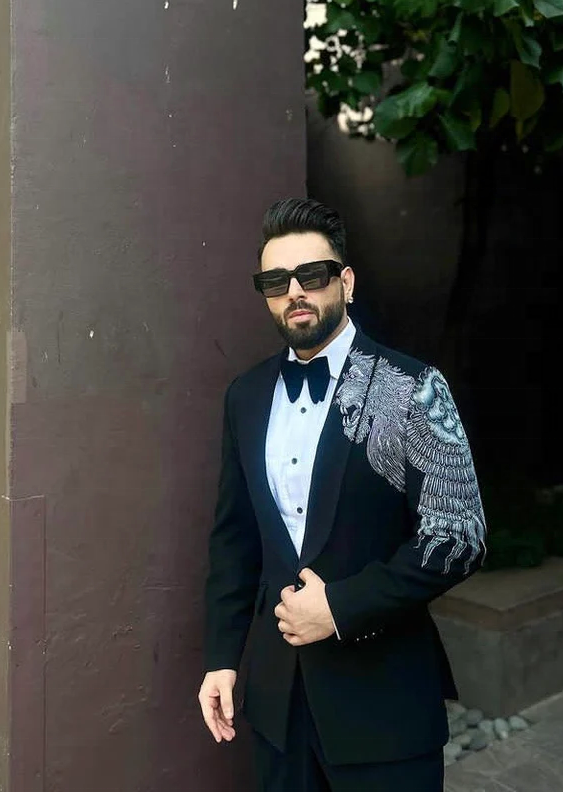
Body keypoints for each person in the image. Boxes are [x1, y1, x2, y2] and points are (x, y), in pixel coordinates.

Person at [199, 198, 486, 792]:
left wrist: (341, 607)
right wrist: (222, 658)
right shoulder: (245, 396)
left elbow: (459, 537)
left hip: (384, 705)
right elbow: (236, 540)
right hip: (278, 707)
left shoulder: (414, 387)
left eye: (312, 274)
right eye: (276, 281)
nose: (295, 292)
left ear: (346, 282)